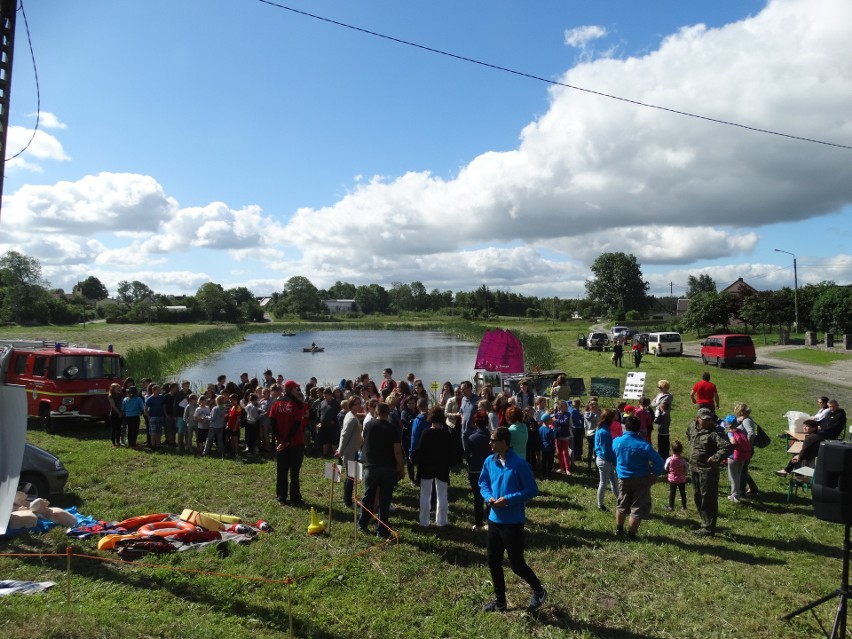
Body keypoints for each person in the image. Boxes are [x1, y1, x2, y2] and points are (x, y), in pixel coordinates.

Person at [479, 427, 547, 613]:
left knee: (516, 564)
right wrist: (489, 497)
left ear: (504, 442)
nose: (490, 443)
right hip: (494, 520)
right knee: (493, 561)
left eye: (493, 440)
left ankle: (539, 591)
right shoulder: (489, 461)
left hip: (513, 522)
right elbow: (483, 482)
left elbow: (532, 490)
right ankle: (500, 602)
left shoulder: (519, 464)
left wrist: (508, 500)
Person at [612, 415, 665, 538]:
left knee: (622, 504)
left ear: (625, 427)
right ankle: (631, 534)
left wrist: (617, 466)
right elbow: (660, 463)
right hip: (641, 479)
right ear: (638, 429)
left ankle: (619, 529)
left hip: (623, 478)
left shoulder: (617, 442)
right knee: (637, 507)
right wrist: (654, 473)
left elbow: (612, 455)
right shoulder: (644, 445)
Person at [358, 402, 405, 538]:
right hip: (388, 468)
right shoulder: (392, 428)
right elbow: (397, 451)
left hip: (371, 466)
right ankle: (382, 529)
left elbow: (362, 442)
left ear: (376, 412)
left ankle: (362, 524)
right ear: (388, 413)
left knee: (368, 497)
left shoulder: (368, 426)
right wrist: (401, 468)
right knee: (385, 500)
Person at [687, 408, 734, 536]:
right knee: (697, 497)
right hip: (694, 467)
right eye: (704, 419)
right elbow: (689, 436)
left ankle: (708, 528)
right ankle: (705, 522)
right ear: (697, 418)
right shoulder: (692, 426)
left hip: (708, 471)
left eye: (709, 419)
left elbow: (728, 447)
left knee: (708, 498)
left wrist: (715, 458)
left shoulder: (716, 432)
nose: (708, 422)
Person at [411, 407, 453, 528]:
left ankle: (424, 522)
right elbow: (451, 452)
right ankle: (442, 521)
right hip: (442, 467)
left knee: (425, 495)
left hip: (426, 467)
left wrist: (413, 458)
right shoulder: (446, 433)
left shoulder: (426, 433)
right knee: (442, 495)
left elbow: (420, 451)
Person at [270, 380, 308, 505]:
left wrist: (279, 439)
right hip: (295, 443)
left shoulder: (276, 403)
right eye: (296, 389)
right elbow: (297, 424)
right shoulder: (298, 404)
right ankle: (295, 498)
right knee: (294, 472)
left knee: (281, 471)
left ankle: (281, 496)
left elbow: (272, 422)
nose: (297, 391)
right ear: (292, 389)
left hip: (281, 443)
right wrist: (287, 441)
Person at [464, 410, 492, 531]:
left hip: (475, 470)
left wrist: (471, 464)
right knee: (490, 497)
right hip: (490, 471)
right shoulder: (491, 436)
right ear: (487, 422)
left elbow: (466, 455)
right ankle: (491, 522)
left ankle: (478, 523)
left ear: (475, 423)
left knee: (477, 498)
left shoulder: (472, 438)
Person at [336, 397, 363, 509]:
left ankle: (349, 499)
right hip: (350, 452)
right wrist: (340, 451)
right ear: (351, 405)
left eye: (359, 403)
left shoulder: (352, 415)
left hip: (355, 450)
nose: (358, 405)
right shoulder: (351, 418)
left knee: (351, 476)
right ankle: (347, 502)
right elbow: (344, 435)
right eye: (356, 404)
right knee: (350, 477)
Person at [594, 410, 619, 512]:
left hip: (603, 459)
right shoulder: (604, 432)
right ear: (610, 419)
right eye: (614, 416)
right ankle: (600, 505)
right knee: (603, 483)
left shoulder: (602, 429)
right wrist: (614, 461)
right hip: (605, 460)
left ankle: (621, 501)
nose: (616, 418)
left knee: (614, 482)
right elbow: (606, 451)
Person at [735, 403, 759, 496]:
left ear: (740, 412)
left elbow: (751, 433)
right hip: (744, 449)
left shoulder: (746, 421)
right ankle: (752, 487)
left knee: (742, 471)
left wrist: (747, 446)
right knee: (742, 469)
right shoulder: (744, 419)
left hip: (746, 450)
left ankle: (741, 491)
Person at [725, 416, 751, 503]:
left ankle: (735, 495)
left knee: (732, 476)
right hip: (743, 455)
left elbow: (733, 442)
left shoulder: (730, 433)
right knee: (738, 475)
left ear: (728, 424)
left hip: (733, 456)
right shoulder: (741, 431)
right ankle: (737, 493)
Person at [664, 440, 688, 511]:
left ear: (672, 450)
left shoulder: (669, 459)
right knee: (683, 493)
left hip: (672, 479)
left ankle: (671, 506)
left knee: (672, 492)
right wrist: (685, 473)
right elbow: (686, 468)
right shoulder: (683, 460)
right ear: (681, 450)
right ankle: (684, 507)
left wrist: (668, 470)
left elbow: (665, 467)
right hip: (681, 479)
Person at [538, 413, 556, 480]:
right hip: (549, 448)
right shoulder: (550, 430)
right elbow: (552, 440)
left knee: (544, 461)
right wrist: (554, 448)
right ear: (547, 421)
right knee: (550, 462)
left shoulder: (540, 429)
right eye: (550, 419)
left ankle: (543, 474)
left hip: (543, 448)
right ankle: (549, 475)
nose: (552, 420)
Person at [107, 383, 124, 448]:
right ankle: (113, 443)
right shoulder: (111, 396)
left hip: (120, 413)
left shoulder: (120, 395)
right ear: (113, 389)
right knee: (114, 429)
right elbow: (113, 406)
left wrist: (122, 412)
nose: (118, 389)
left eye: (118, 388)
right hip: (114, 414)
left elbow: (123, 403)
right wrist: (119, 413)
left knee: (119, 428)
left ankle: (118, 441)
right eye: (117, 388)